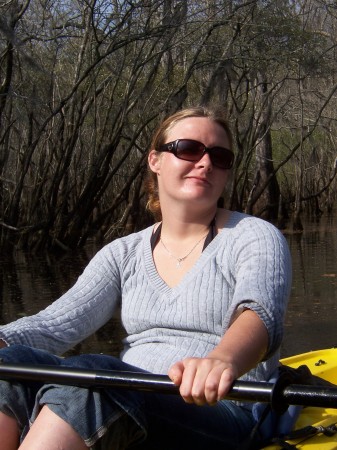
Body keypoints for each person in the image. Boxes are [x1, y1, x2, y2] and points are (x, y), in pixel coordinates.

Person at [0, 105, 292, 450]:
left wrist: (222, 359)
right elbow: (53, 326)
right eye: (188, 149)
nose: (205, 162)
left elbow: (259, 314)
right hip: (128, 398)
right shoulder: (121, 253)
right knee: (12, 362)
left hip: (223, 411)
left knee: (96, 378)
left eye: (220, 156)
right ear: (155, 160)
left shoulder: (254, 235)